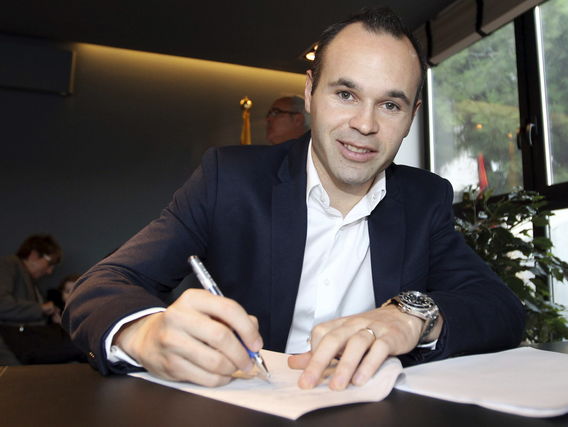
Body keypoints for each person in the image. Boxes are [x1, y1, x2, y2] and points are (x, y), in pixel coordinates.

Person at [64, 7, 525, 389]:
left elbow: (499, 308)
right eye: (346, 94)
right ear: (310, 92)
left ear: (411, 116)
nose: (365, 124)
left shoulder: (424, 199)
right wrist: (144, 333)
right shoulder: (230, 179)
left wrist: (413, 319)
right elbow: (102, 284)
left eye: (390, 104)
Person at [0, 235, 84, 364]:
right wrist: (41, 308)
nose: (50, 271)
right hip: (15, 338)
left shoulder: (31, 281)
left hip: (27, 338)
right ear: (34, 255)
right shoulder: (9, 264)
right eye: (50, 264)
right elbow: (2, 304)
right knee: (80, 345)